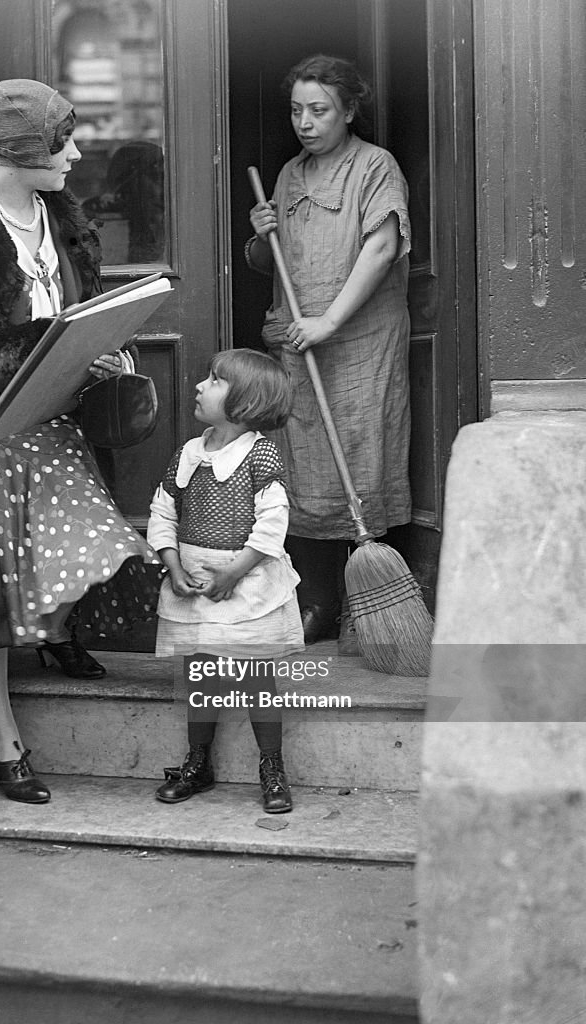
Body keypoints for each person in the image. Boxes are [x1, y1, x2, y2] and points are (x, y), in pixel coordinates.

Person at [0, 79, 160, 805]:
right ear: (21, 149)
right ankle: (0, 736)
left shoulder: (59, 216)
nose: (75, 155)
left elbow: (75, 313)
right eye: (63, 141)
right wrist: (39, 352)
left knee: (95, 538)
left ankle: (53, 625)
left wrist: (101, 350)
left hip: (50, 414)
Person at [246, 54, 412, 645]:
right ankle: (317, 601)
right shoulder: (289, 175)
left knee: (361, 459)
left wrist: (329, 323)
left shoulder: (375, 166)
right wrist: (262, 234)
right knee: (305, 467)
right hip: (300, 341)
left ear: (347, 110)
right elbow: (274, 263)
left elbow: (381, 249)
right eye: (297, 110)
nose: (305, 122)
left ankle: (364, 605)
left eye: (319, 110)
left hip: (359, 343)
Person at [147, 349, 303, 813]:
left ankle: (272, 766)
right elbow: (162, 511)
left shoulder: (260, 455)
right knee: (202, 676)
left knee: (256, 676)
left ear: (246, 403)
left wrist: (235, 572)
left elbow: (273, 522)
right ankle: (199, 761)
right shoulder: (188, 454)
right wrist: (173, 567)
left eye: (214, 381)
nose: (199, 386)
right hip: (195, 581)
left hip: (246, 582)